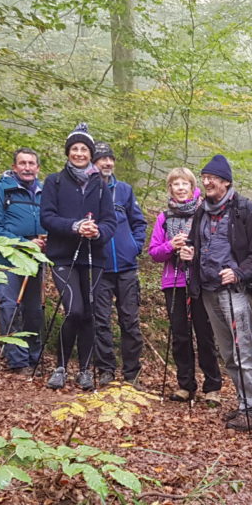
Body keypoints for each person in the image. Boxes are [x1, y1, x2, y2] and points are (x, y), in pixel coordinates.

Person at [187, 154, 252, 431]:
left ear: (226, 182)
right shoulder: (201, 210)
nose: (207, 182)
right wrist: (189, 252)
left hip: (234, 290)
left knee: (244, 349)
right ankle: (243, 403)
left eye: (213, 178)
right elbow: (194, 243)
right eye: (205, 177)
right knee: (227, 352)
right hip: (208, 289)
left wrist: (238, 272)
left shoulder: (245, 210)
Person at [39, 124, 116, 390]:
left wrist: (97, 232)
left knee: (90, 314)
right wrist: (75, 226)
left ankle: (84, 369)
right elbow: (47, 217)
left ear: (90, 153)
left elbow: (110, 222)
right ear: (68, 152)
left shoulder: (102, 185)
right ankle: (60, 366)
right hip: (63, 256)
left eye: (84, 149)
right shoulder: (54, 181)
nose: (80, 153)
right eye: (75, 149)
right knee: (74, 310)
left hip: (94, 257)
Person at [148, 167, 222, 403]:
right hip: (173, 282)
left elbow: (215, 247)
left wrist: (194, 252)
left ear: (192, 187)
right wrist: (171, 245)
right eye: (175, 184)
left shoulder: (205, 212)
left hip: (200, 281)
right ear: (170, 189)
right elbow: (154, 253)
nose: (180, 188)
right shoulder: (164, 217)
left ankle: (213, 386)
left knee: (204, 333)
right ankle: (185, 384)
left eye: (184, 184)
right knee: (180, 335)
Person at [0, 148, 47, 375]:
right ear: (14, 166)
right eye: (22, 163)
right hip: (8, 259)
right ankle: (17, 361)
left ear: (38, 168)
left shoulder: (44, 192)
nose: (27, 167)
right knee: (10, 306)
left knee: (34, 310)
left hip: (37, 259)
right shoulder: (1, 189)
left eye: (31, 163)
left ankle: (33, 357)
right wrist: (23, 242)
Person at [90, 141, 147, 389]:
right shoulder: (87, 191)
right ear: (94, 163)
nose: (107, 163)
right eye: (102, 159)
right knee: (100, 320)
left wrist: (134, 246)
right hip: (99, 268)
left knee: (130, 321)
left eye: (110, 159)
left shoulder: (124, 190)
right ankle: (106, 370)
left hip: (126, 267)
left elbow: (139, 222)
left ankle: (132, 373)